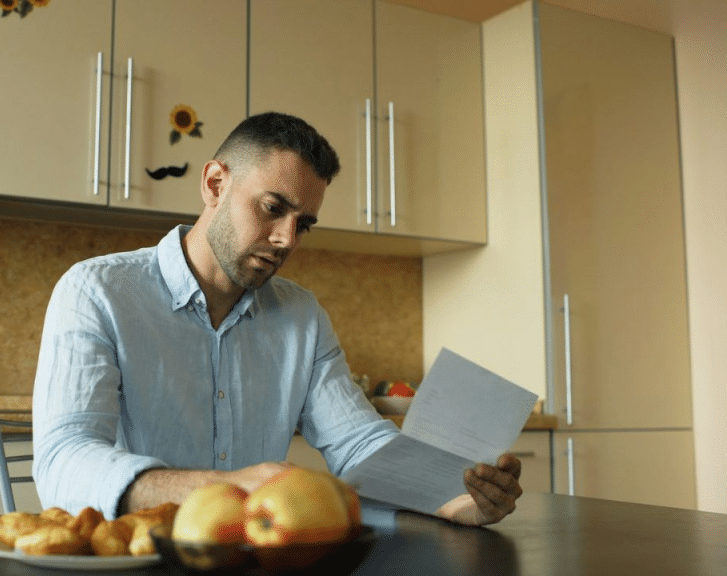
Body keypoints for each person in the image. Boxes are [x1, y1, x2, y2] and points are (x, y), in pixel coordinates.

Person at [31, 112, 522, 526]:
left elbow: (358, 442)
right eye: (272, 208)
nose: (288, 239)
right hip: (137, 560)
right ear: (215, 184)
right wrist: (220, 486)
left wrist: (449, 498)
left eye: (302, 223)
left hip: (260, 557)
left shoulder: (302, 316)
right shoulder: (97, 291)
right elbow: (63, 462)